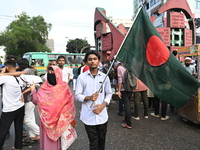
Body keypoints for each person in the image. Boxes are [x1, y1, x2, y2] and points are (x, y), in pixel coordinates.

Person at [29, 66, 76, 150]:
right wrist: (33, 90)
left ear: (58, 74)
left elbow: (70, 104)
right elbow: (36, 101)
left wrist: (65, 117)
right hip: (46, 122)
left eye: (53, 73)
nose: (50, 74)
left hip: (60, 121)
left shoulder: (64, 87)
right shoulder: (44, 87)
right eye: (49, 72)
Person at [75, 50, 112, 150]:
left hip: (102, 116)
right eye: (90, 59)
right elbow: (77, 95)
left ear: (98, 61)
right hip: (88, 116)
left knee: (102, 142)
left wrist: (103, 106)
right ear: (86, 62)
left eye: (95, 59)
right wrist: (89, 98)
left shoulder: (105, 77)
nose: (92, 61)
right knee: (93, 143)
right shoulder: (81, 77)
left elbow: (109, 93)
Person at [0, 58, 40, 145]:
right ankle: (31, 137)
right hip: (26, 101)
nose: (17, 66)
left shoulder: (26, 71)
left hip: (27, 100)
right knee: (27, 120)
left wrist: (5, 72)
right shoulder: (23, 74)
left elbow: (22, 74)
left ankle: (40, 133)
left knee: (26, 120)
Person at [0, 60, 25, 150]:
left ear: (6, 68)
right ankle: (18, 147)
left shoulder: (5, 78)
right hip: (20, 106)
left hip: (9, 109)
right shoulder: (20, 77)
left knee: (2, 130)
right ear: (16, 67)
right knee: (18, 128)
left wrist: (3, 72)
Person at [117, 63, 134, 129]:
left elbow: (120, 80)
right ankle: (126, 119)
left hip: (124, 89)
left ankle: (129, 124)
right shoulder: (131, 66)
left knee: (127, 106)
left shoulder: (120, 67)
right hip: (131, 87)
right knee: (128, 104)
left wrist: (119, 91)